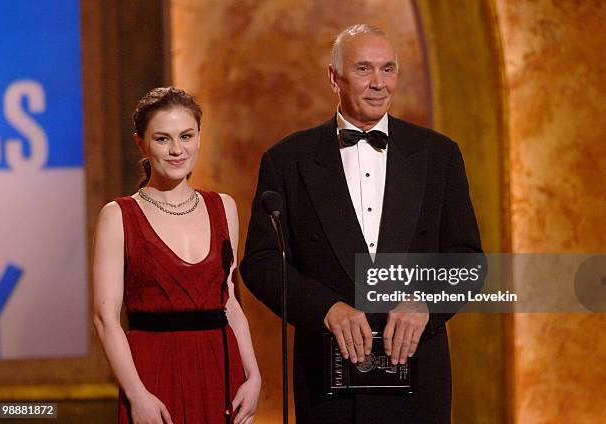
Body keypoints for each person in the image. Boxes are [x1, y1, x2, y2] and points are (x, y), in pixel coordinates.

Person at [240, 24, 482, 423]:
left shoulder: (438, 155)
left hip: (419, 378)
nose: (379, 84)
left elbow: (468, 261)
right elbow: (262, 262)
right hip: (327, 379)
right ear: (333, 77)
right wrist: (326, 308)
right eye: (364, 69)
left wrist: (425, 303)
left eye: (388, 69)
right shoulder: (288, 160)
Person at [93, 87, 261, 424]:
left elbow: (228, 302)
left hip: (221, 367)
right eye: (162, 139)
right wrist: (136, 393)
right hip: (153, 373)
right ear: (141, 143)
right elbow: (105, 318)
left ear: (199, 138)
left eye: (186, 136)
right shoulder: (118, 215)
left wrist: (253, 376)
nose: (176, 149)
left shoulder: (223, 207)